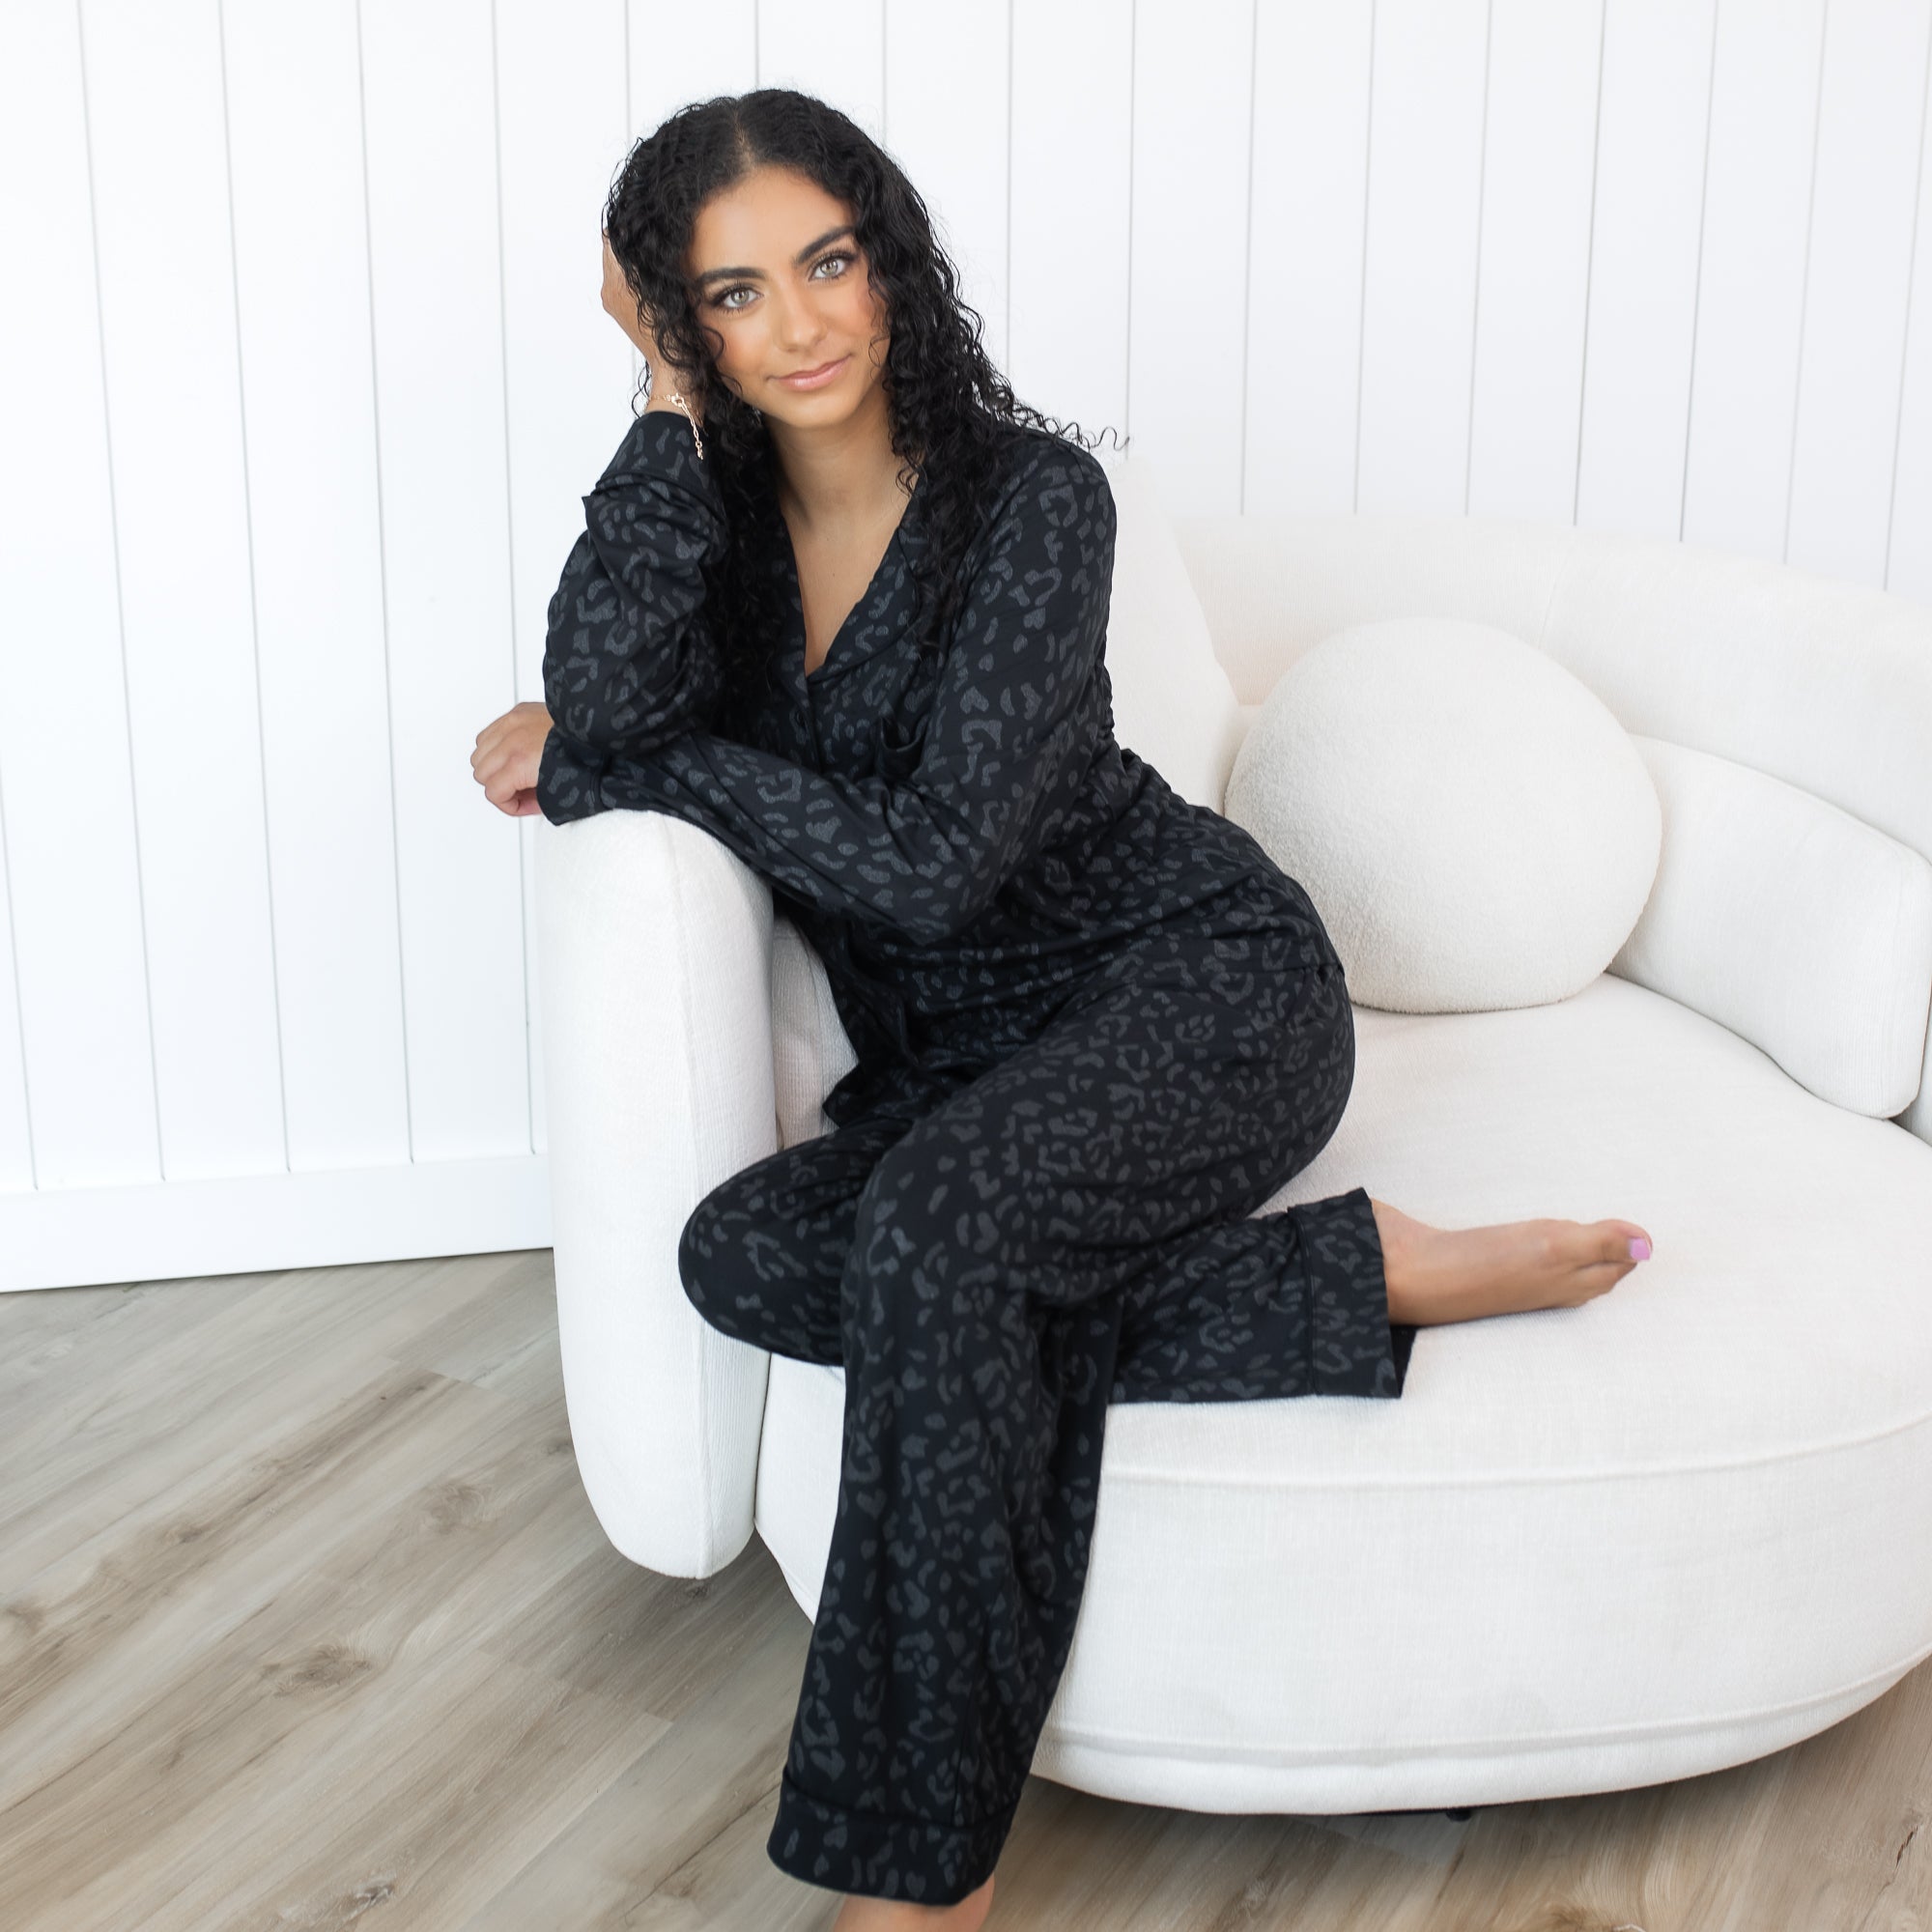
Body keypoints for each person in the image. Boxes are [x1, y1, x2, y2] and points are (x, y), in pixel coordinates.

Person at [470, 88, 1655, 1932]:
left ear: (892, 257)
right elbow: (599, 695)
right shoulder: (702, 538)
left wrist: (665, 767)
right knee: (741, 1255)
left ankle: (913, 1884)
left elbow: (933, 863)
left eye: (830, 261)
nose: (802, 324)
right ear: (680, 325)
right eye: (731, 297)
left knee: (939, 1235)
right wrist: (659, 421)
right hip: (970, 1074)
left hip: (1199, 992)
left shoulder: (1036, 500)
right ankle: (1356, 1275)